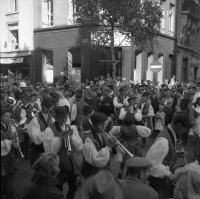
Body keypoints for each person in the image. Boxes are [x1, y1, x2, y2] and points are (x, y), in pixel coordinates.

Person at [146, 112, 191, 199]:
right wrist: (170, 174)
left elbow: (163, 153)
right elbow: (151, 163)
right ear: (179, 125)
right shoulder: (163, 141)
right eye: (185, 129)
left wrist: (175, 153)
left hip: (161, 176)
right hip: (157, 179)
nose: (185, 132)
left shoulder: (169, 133)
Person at [42, 105, 83, 199]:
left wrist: (72, 137)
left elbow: (79, 146)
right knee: (57, 189)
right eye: (61, 117)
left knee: (74, 187)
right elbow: (48, 151)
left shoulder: (71, 127)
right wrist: (60, 139)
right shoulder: (49, 130)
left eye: (66, 117)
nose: (64, 119)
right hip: (58, 164)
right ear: (55, 117)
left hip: (71, 162)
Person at [81, 112, 116, 178]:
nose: (103, 127)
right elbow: (95, 160)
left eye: (104, 124)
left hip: (105, 168)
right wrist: (108, 147)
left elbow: (111, 153)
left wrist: (113, 146)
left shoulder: (104, 134)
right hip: (93, 171)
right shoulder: (88, 139)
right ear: (93, 125)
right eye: (101, 124)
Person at [27, 96, 54, 166]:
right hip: (39, 148)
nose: (47, 109)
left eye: (49, 107)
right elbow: (35, 137)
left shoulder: (51, 118)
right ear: (41, 106)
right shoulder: (36, 119)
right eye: (46, 107)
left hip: (49, 147)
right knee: (40, 167)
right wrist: (48, 134)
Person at [1, 105, 18, 199]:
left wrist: (14, 137)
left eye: (9, 116)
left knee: (10, 174)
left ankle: (9, 192)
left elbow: (11, 136)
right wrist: (8, 142)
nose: (8, 118)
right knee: (3, 175)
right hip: (1, 155)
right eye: (6, 116)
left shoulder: (9, 125)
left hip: (9, 153)